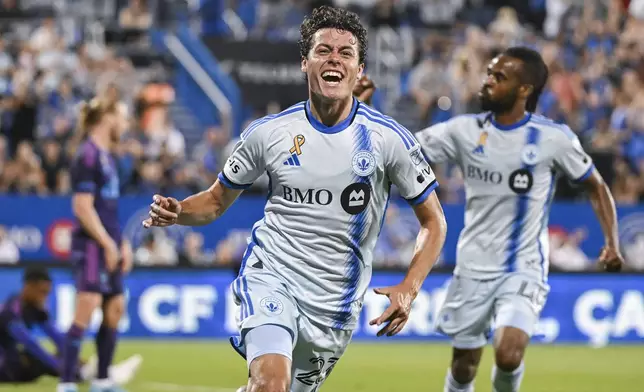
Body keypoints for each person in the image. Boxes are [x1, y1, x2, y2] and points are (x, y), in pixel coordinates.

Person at [142, 6, 447, 392]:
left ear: (359, 68)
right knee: (271, 384)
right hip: (273, 276)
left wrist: (411, 285)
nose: (334, 58)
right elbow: (216, 202)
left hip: (334, 307)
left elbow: (434, 221)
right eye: (323, 51)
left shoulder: (389, 140)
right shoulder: (268, 133)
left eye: (345, 52)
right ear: (305, 62)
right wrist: (181, 210)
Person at [415, 47, 623, 392]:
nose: (488, 81)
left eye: (499, 77)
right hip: (472, 266)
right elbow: (405, 148)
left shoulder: (552, 138)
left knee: (509, 353)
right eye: (489, 73)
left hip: (523, 267)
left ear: (524, 89)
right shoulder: (464, 131)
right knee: (464, 367)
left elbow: (596, 186)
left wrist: (612, 243)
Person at [58, 97, 135, 392]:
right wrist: (106, 243)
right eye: (122, 117)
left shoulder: (108, 156)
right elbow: (82, 207)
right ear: (107, 117)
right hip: (91, 244)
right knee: (86, 306)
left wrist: (122, 242)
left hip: (109, 241)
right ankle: (65, 383)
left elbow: (108, 209)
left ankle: (102, 379)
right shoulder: (87, 155)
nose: (125, 124)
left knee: (115, 307)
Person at [0, 267, 141, 385]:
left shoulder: (36, 309)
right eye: (41, 292)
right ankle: (93, 374)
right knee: (37, 358)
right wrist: (63, 368)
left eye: (47, 293)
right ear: (28, 286)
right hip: (3, 366)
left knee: (62, 353)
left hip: (11, 360)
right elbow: (31, 344)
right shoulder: (10, 311)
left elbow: (58, 337)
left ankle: (95, 371)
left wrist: (73, 358)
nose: (44, 297)